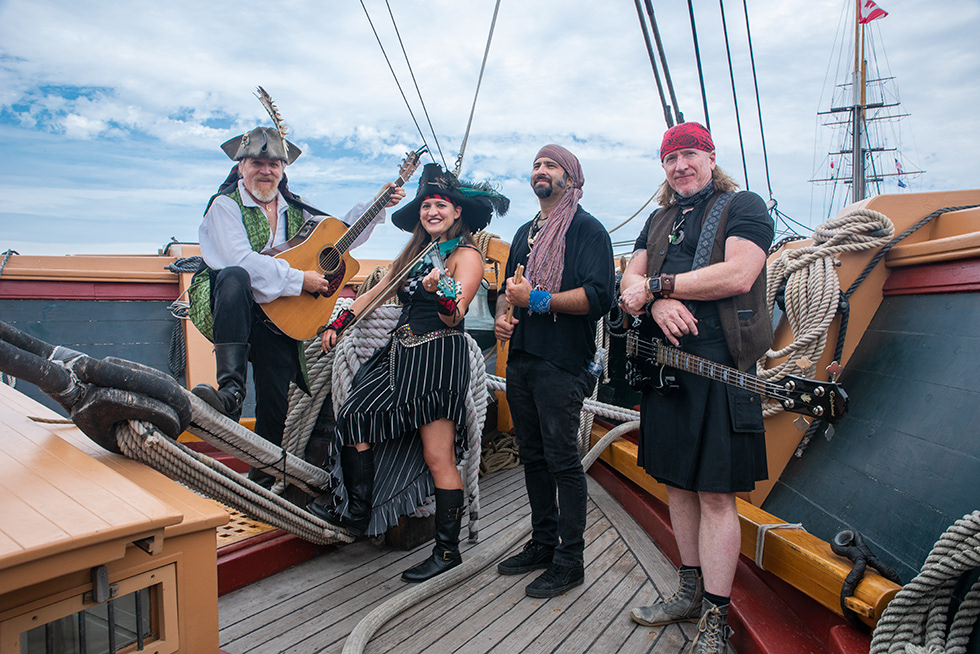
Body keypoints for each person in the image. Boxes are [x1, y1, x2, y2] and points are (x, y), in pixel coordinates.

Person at [307, 163, 508, 583]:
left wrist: (442, 294)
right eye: (426, 205)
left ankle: (447, 551)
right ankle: (358, 511)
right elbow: (378, 293)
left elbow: (456, 318)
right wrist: (339, 323)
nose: (431, 211)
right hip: (400, 354)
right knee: (355, 415)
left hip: (437, 358)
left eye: (440, 205)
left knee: (438, 456)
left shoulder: (466, 255)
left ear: (457, 212)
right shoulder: (414, 254)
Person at [619, 122, 774, 654]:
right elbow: (628, 284)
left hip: (721, 367)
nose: (680, 166)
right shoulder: (658, 219)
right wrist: (654, 301)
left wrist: (659, 286)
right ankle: (686, 592)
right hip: (665, 369)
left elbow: (737, 274)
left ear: (710, 158)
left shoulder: (743, 206)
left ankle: (716, 615)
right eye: (670, 159)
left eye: (689, 155)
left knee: (714, 494)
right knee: (677, 484)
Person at [189, 123, 405, 488]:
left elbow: (340, 236)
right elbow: (238, 260)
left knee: (276, 405)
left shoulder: (294, 210)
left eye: (274, 164)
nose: (266, 170)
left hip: (280, 314)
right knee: (235, 276)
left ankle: (262, 483)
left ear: (283, 170)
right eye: (258, 162)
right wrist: (300, 280)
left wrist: (376, 203)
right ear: (241, 166)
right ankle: (230, 390)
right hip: (233, 308)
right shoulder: (225, 206)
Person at [493, 145, 615, 598]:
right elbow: (509, 292)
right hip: (523, 360)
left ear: (570, 178)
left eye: (551, 166)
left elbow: (599, 296)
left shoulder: (587, 231)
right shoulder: (525, 231)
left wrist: (536, 301)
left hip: (562, 364)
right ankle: (543, 544)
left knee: (563, 461)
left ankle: (570, 560)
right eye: (537, 165)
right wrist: (506, 314)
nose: (541, 171)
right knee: (534, 457)